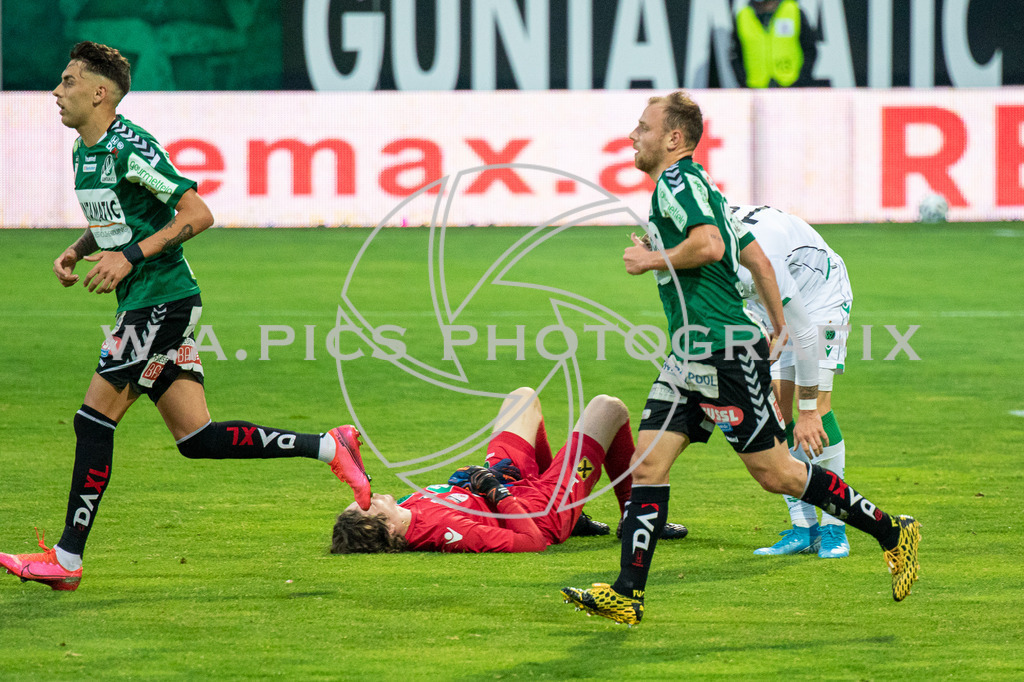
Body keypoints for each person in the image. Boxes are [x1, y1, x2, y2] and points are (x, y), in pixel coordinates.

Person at [0, 42, 371, 593]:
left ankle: (67, 560)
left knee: (93, 419)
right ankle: (329, 446)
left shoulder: (133, 149)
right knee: (196, 436)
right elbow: (121, 219)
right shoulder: (85, 150)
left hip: (163, 302)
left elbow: (198, 212)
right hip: (147, 301)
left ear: (99, 92)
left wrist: (129, 258)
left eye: (68, 81)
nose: (57, 91)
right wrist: (80, 248)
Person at [560, 92, 920, 626]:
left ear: (673, 138)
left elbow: (708, 246)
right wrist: (775, 322)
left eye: (643, 127)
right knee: (649, 463)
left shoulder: (677, 185)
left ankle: (893, 531)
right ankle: (627, 593)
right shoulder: (701, 186)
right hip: (690, 354)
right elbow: (750, 255)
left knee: (776, 473)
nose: (634, 136)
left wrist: (650, 260)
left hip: (723, 354)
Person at [331, 388, 636, 553]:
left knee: (522, 398)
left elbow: (459, 497)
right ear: (390, 528)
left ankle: (577, 513)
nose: (366, 496)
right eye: (366, 506)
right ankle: (635, 518)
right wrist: (495, 492)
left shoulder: (405, 507)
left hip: (509, 487)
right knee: (608, 408)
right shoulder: (448, 533)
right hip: (541, 515)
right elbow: (534, 542)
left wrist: (472, 482)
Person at [732, 205, 854, 558]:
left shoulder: (759, 255)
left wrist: (809, 410)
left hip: (819, 298)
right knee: (777, 411)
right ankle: (804, 528)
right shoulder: (706, 242)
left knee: (816, 409)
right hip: (772, 298)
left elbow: (800, 330)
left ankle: (835, 526)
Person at [730, 0, 819, 88]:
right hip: (757, 89)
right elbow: (736, 55)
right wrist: (744, 84)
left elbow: (809, 50)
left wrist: (800, 81)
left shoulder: (793, 10)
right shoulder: (743, 15)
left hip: (791, 87)